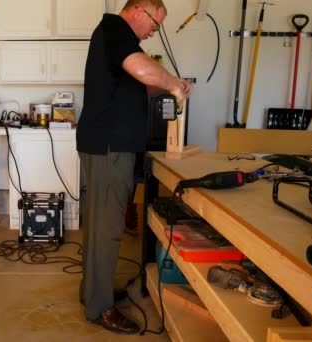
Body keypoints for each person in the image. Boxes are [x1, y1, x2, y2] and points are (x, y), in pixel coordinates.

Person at [76, 0, 192, 335]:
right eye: (155, 24)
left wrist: (174, 83)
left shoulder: (120, 44)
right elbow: (144, 72)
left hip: (108, 147)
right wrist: (172, 83)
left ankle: (93, 293)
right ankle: (100, 308)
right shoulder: (115, 29)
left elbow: (144, 83)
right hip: (110, 149)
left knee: (100, 226)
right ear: (140, 10)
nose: (154, 32)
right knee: (108, 230)